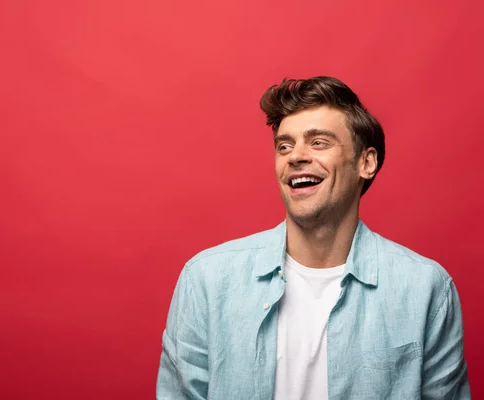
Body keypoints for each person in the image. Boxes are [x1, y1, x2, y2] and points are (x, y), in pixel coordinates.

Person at [156, 76, 471, 400]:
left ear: (366, 162)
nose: (295, 157)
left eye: (318, 142)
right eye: (284, 145)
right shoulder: (206, 281)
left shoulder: (426, 288)